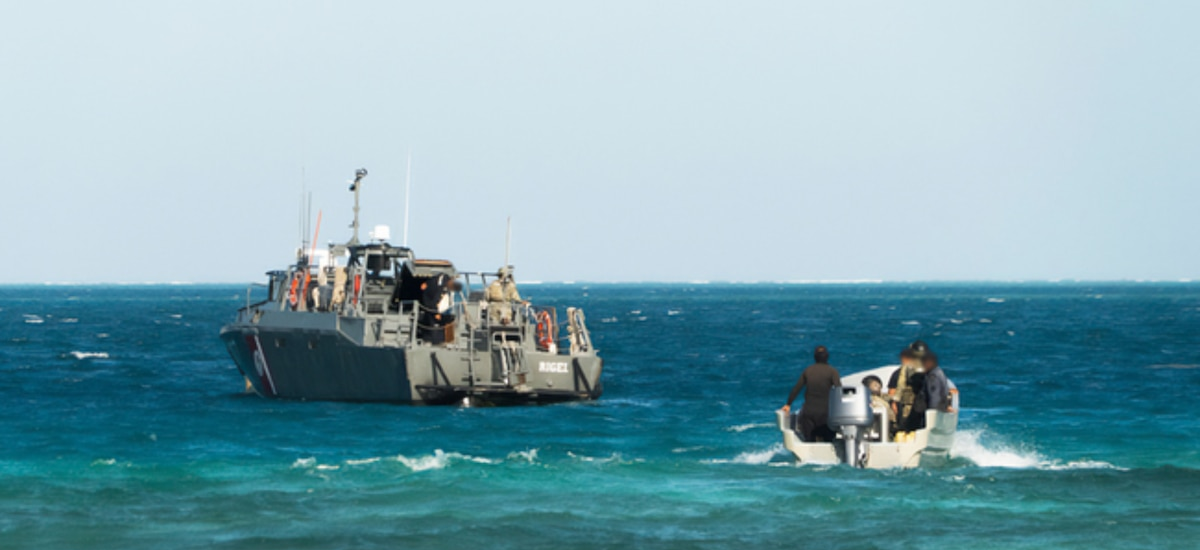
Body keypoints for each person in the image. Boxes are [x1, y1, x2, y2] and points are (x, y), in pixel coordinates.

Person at [781, 345, 842, 442]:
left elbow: (797, 388)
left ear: (815, 357)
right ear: (827, 356)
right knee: (828, 441)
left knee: (809, 441)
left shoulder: (808, 371)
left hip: (809, 412)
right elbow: (839, 391)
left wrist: (788, 404)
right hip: (825, 413)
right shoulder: (832, 371)